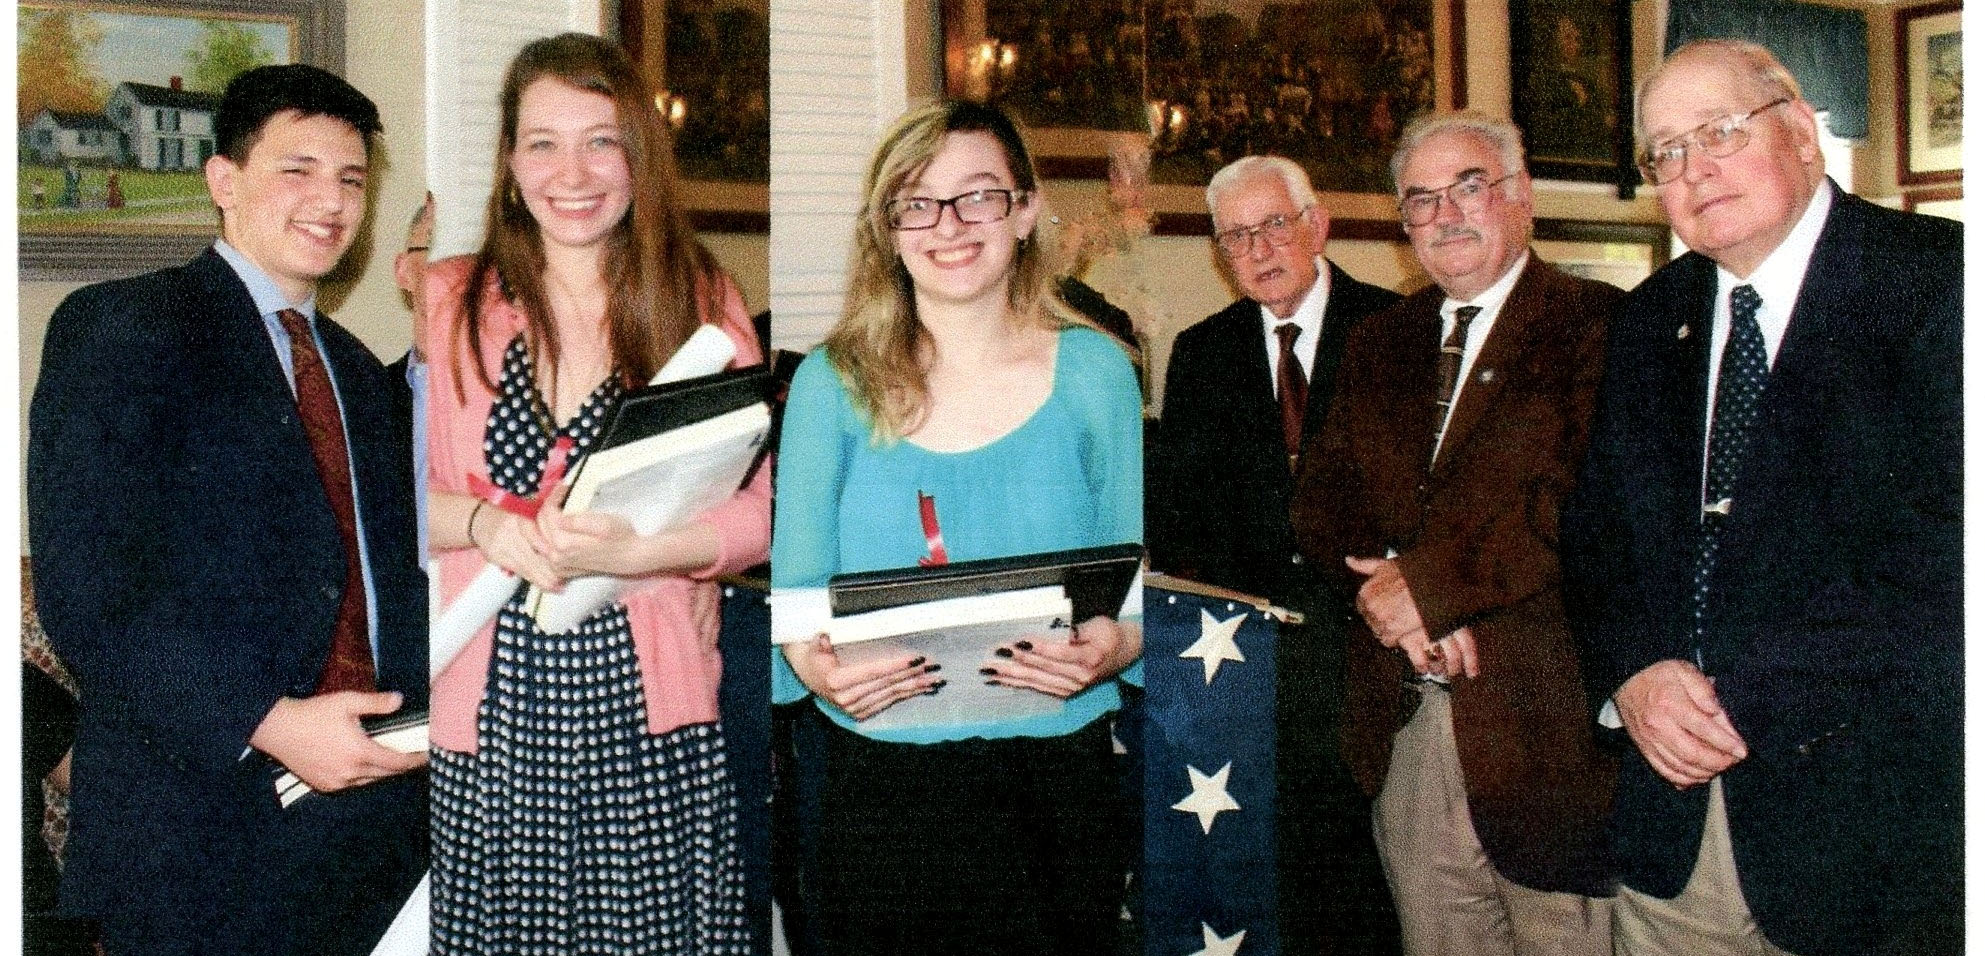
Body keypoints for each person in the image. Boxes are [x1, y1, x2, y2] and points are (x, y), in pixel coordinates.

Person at [1560, 40, 1961, 956]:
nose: (1693, 170)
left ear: (1802, 138)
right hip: (1673, 830)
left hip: (1874, 834)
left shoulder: (1938, 285)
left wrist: (1743, 696)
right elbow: (1597, 530)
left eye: (1719, 133)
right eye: (1665, 152)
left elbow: (1946, 556)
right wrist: (1635, 671)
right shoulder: (1645, 317)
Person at [27, 64, 428, 956]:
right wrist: (271, 723)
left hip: (370, 838)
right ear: (223, 181)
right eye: (298, 169)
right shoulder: (121, 331)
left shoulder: (362, 376)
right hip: (194, 841)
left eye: (351, 179)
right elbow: (89, 592)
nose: (330, 199)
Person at [423, 33, 769, 954]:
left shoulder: (700, 299)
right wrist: (488, 526)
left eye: (601, 141)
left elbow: (754, 512)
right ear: (507, 160)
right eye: (542, 142)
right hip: (493, 707)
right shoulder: (449, 299)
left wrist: (640, 555)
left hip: (650, 701)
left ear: (638, 158)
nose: (571, 172)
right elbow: (391, 498)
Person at [771, 100, 1143, 956]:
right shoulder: (833, 382)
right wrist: (817, 670)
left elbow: (1125, 589)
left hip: (1054, 779)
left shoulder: (1097, 372)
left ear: (1025, 208)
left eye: (978, 196)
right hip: (877, 782)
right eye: (917, 201)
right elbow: (795, 599)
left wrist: (1112, 649)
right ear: (887, 228)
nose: (948, 225)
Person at [1294, 112, 1620, 956]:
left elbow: (1575, 507)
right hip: (1404, 721)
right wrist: (1394, 605)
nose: (1445, 216)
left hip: (1545, 736)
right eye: (1420, 200)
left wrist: (1434, 594)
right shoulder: (1379, 340)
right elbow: (1321, 503)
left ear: (1519, 195)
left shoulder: (1601, 325)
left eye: (1467, 187)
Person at [1151, 154, 1401, 954]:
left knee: (1368, 885)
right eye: (1234, 238)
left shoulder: (1395, 329)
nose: (1256, 250)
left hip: (1371, 655)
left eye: (1272, 226)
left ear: (1316, 225)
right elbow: (1183, 524)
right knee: (1274, 876)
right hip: (1247, 663)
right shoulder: (1200, 353)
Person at [387, 193, 435, 558]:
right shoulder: (362, 398)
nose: (453, 267)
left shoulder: (537, 395)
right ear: (403, 271)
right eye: (434, 249)